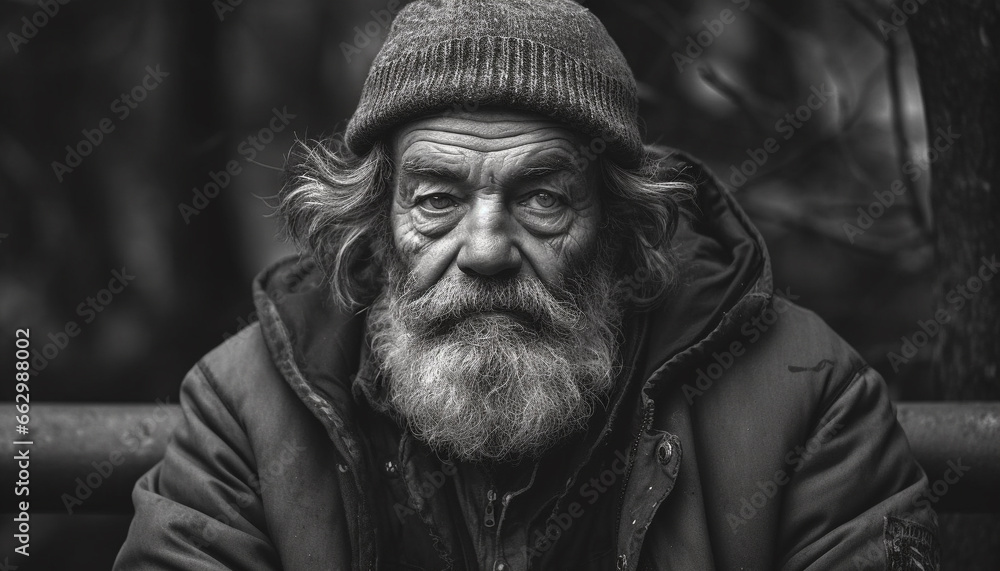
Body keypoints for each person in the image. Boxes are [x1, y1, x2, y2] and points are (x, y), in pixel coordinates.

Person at [115, 0, 940, 569]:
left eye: (542, 197)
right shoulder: (246, 409)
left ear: (622, 231)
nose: (485, 248)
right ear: (374, 226)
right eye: (436, 199)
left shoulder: (806, 399)